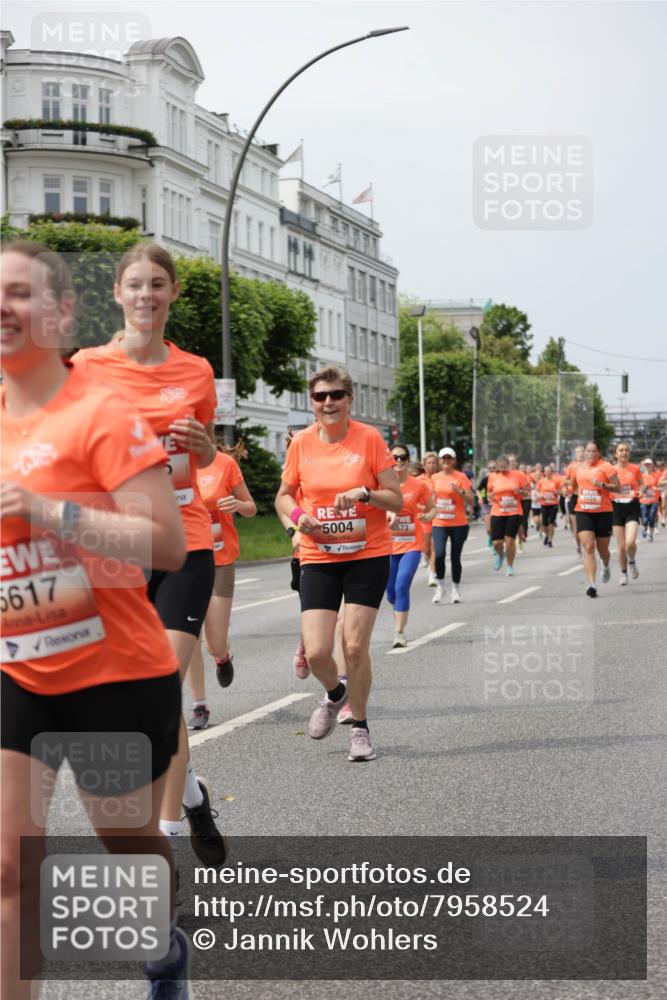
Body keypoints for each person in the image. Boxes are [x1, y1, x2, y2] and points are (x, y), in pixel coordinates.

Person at [1, 241, 190, 998]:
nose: (2, 307)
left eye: (19, 293)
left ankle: (163, 947)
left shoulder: (99, 412)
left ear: (62, 312)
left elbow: (167, 544)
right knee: (10, 869)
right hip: (18, 674)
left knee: (131, 850)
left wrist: (52, 511)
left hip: (116, 674)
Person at [70, 242, 226, 866]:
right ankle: (193, 795)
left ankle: (158, 844)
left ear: (172, 294)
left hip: (184, 541)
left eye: (157, 285)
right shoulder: (84, 368)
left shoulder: (196, 373)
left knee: (161, 692)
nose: (146, 295)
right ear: (117, 292)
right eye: (135, 284)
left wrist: (204, 443)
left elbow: (209, 459)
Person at [275, 366, 401, 762]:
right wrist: (297, 519)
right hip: (319, 555)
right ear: (312, 403)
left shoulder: (369, 439)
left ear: (350, 399)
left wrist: (365, 492)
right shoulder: (302, 444)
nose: (328, 402)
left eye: (336, 395)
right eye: (320, 397)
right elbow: (283, 496)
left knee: (353, 646)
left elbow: (396, 499)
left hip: (367, 553)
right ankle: (335, 693)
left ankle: (360, 728)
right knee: (315, 653)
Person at [185, 440, 257, 729]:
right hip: (185, 561)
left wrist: (238, 505)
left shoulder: (224, 464)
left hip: (219, 561)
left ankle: (222, 655)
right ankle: (200, 704)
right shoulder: (170, 464)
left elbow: (251, 508)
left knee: (214, 642)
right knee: (189, 636)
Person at [385, 444, 436, 645]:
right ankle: (399, 610)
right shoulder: (381, 486)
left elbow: (433, 509)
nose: (398, 461)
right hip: (386, 546)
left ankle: (399, 633)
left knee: (402, 584)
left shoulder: (418, 485)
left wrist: (427, 515)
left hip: (411, 545)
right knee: (390, 592)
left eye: (403, 457)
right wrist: (388, 513)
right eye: (395, 457)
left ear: (408, 460)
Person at [567, 441, 620, 598]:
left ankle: (605, 564)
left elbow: (618, 487)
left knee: (603, 550)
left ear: (598, 453)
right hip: (583, 511)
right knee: (588, 546)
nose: (590, 453)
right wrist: (567, 491)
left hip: (603, 512)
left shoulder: (606, 467)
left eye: (593, 451)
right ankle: (592, 584)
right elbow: (572, 486)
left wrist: (602, 485)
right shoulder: (577, 468)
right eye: (587, 451)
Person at [430, 447, 474, 603]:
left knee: (455, 557)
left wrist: (459, 492)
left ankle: (455, 589)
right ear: (440, 461)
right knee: (440, 554)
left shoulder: (461, 477)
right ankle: (440, 586)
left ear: (454, 460)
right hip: (440, 522)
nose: (446, 461)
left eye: (449, 458)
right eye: (444, 458)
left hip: (458, 523)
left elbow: (471, 501)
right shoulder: (434, 477)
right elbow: (428, 497)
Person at [487, 455, 528, 576]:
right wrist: (490, 496)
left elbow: (526, 493)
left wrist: (519, 492)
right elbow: (489, 492)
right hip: (497, 511)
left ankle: (510, 566)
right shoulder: (493, 477)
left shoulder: (518, 475)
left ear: (508, 464)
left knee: (510, 540)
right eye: (500, 466)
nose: (502, 467)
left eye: (504, 465)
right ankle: (501, 554)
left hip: (514, 512)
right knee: (496, 543)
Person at [611, 442, 643, 585]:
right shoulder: (610, 470)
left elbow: (641, 484)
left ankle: (632, 561)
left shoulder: (635, 469)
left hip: (631, 506)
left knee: (630, 542)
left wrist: (641, 491)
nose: (624, 452)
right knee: (621, 545)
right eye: (621, 450)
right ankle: (623, 574)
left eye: (626, 450)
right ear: (615, 454)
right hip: (616, 508)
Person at [418, 451, 439, 582]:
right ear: (424, 465)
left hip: (439, 516)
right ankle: (425, 556)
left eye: (434, 463)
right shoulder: (419, 480)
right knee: (426, 548)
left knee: (434, 546)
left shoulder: (440, 477)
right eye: (429, 463)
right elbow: (415, 499)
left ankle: (433, 573)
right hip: (425, 515)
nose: (431, 465)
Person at [564, 446, 585, 555]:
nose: (580, 453)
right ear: (575, 454)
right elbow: (565, 481)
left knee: (586, 525)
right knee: (576, 526)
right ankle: (578, 544)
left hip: (586, 497)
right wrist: (569, 486)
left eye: (582, 451)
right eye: (578, 452)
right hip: (575, 497)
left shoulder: (588, 465)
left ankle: (587, 544)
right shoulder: (571, 466)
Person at [536, 464, 560, 548]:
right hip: (544, 504)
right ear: (544, 472)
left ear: (551, 472)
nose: (548, 472)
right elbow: (537, 491)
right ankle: (546, 535)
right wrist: (540, 495)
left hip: (553, 504)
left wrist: (556, 492)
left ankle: (550, 540)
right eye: (546, 471)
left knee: (551, 523)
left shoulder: (556, 481)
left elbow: (560, 491)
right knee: (544, 524)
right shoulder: (541, 481)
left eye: (549, 471)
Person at [476, 460, 496, 549]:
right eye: (490, 468)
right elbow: (478, 490)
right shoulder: (486, 479)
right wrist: (480, 497)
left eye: (494, 468)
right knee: (488, 529)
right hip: (486, 504)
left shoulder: (501, 478)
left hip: (498, 504)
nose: (492, 470)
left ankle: (496, 545)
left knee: (497, 526)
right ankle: (491, 536)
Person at [639, 458, 659, 541]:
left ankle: (650, 534)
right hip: (643, 500)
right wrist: (642, 489)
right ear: (644, 465)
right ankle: (644, 527)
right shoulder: (641, 476)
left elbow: (660, 486)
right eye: (646, 464)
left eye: (649, 464)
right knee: (644, 517)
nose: (647, 466)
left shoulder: (656, 475)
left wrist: (656, 488)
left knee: (651, 517)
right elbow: (638, 487)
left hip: (654, 500)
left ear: (652, 465)